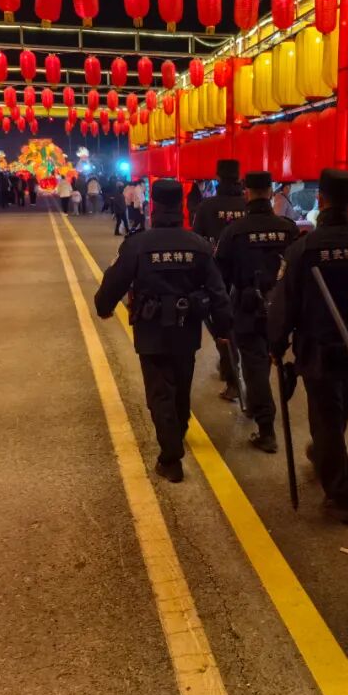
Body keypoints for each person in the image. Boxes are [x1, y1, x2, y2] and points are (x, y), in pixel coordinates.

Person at [94, 180, 233, 483]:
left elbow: (115, 280)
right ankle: (176, 435)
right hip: (187, 330)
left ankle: (170, 459)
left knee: (160, 393)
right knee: (181, 387)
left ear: (153, 205)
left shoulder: (138, 244)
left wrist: (104, 307)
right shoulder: (198, 245)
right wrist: (224, 328)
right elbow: (217, 290)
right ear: (181, 205)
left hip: (152, 331)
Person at [268, 169, 348, 523]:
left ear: (320, 200)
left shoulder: (304, 249)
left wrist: (276, 342)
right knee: (338, 411)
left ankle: (341, 496)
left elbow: (286, 301)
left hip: (318, 348)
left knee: (326, 417)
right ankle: (324, 455)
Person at [215, 171, 298, 452]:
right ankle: (256, 404)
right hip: (283, 309)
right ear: (271, 191)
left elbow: (220, 276)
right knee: (266, 358)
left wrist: (221, 315)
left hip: (248, 308)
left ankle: (266, 429)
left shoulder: (234, 231)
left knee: (255, 366)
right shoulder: (288, 229)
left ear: (246, 193)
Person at [193, 160, 248, 400]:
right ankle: (231, 364)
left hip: (216, 277)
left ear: (217, 177)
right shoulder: (247, 205)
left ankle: (231, 373)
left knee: (222, 327)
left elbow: (197, 240)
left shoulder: (207, 206)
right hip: (246, 276)